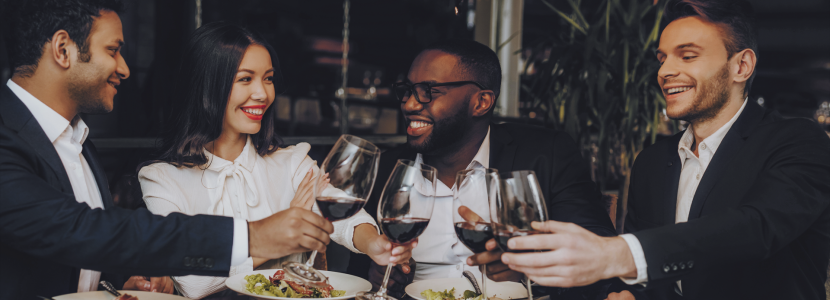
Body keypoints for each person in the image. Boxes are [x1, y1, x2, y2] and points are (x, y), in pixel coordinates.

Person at [0, 1, 335, 298]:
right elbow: (82, 229)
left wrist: (128, 277)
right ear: (63, 50)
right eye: (113, 50)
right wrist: (253, 238)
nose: (125, 69)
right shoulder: (6, 139)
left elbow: (80, 253)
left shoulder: (76, 140)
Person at [498, 1, 830, 299]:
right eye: (662, 57)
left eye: (687, 55)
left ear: (740, 66)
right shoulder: (652, 161)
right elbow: (646, 276)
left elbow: (756, 229)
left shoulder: (799, 141)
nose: (664, 71)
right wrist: (625, 292)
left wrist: (616, 255)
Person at [137, 22, 414, 299]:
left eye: (268, 78)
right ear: (208, 85)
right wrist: (280, 236)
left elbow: (342, 215)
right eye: (245, 79)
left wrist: (373, 243)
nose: (262, 93)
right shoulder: (162, 179)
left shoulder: (291, 162)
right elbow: (193, 283)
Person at [346, 39, 617, 298]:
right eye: (407, 90)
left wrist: (528, 268)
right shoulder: (386, 170)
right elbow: (356, 270)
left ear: (481, 102)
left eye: (429, 91)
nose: (410, 104)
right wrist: (378, 276)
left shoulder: (546, 154)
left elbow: (602, 254)